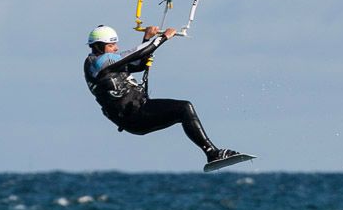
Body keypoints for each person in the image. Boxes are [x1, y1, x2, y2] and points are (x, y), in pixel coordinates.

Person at [83, 24, 242, 169]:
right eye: (111, 45)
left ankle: (213, 153)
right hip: (134, 115)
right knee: (184, 108)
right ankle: (213, 153)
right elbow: (138, 52)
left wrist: (147, 38)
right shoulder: (99, 63)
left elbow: (139, 64)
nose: (116, 48)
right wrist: (163, 37)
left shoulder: (110, 63)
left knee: (183, 110)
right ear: (98, 47)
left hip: (137, 112)